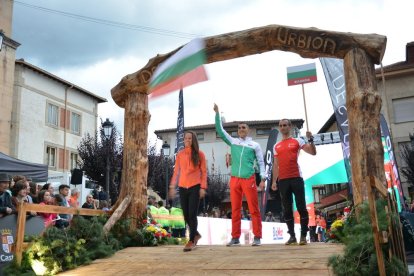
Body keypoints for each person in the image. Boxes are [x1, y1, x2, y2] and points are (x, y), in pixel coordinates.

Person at [214, 104, 265, 247]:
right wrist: (217, 114)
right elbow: (220, 130)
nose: (241, 130)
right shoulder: (233, 141)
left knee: (254, 209)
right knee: (235, 209)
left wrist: (263, 179)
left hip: (249, 178)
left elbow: (261, 162)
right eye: (239, 128)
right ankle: (235, 238)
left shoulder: (254, 145)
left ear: (248, 130)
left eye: (243, 128)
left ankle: (257, 237)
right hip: (235, 178)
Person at [271, 119, 316, 245]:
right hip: (283, 180)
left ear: (290, 127)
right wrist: (274, 181)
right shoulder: (276, 146)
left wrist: (310, 140)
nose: (283, 127)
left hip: (296, 177)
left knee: (301, 207)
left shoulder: (298, 140)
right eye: (280, 125)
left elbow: (313, 152)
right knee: (286, 209)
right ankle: (292, 236)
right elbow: (276, 165)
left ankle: (303, 235)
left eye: (285, 125)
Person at [169, 131, 207, 252]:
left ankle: (191, 240)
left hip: (195, 186)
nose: (187, 140)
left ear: (193, 140)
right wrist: (172, 186)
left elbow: (204, 172)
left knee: (192, 214)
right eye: (185, 138)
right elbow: (176, 172)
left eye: (190, 138)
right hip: (182, 187)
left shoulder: (200, 154)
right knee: (185, 215)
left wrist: (203, 187)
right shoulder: (180, 154)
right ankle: (196, 233)